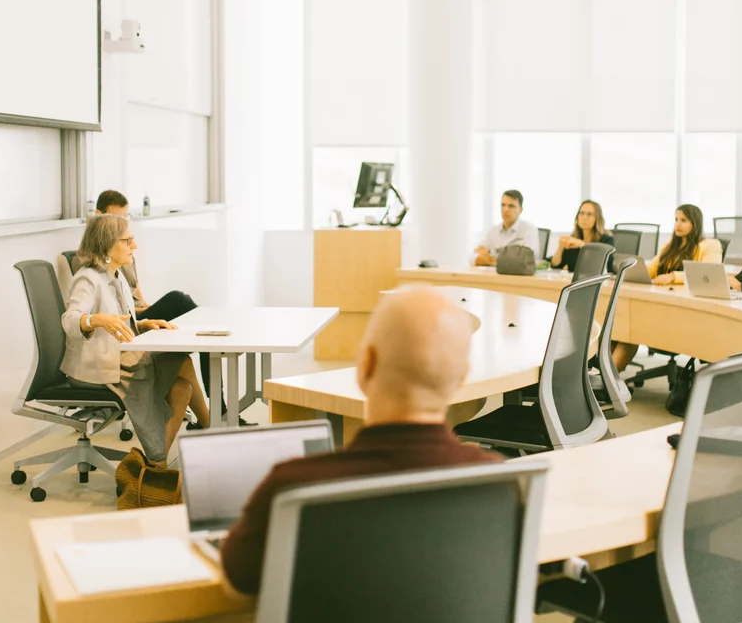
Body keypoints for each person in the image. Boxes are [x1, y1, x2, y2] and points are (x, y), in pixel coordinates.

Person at [221, 287, 497, 595]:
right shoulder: (499, 486)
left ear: (366, 365)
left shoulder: (294, 490)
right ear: (461, 378)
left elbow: (238, 579)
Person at [76, 190, 239, 425]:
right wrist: (141, 318)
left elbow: (139, 299)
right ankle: (210, 350)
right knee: (179, 300)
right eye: (115, 219)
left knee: (180, 303)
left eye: (125, 218)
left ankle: (207, 343)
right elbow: (102, 311)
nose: (121, 225)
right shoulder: (91, 265)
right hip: (123, 325)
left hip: (138, 316)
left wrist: (153, 316)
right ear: (99, 217)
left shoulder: (125, 256)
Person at [61, 215, 210, 465]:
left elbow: (118, 320)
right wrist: (96, 319)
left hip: (117, 359)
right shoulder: (88, 278)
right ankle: (204, 433)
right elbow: (70, 320)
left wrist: (142, 324)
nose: (135, 246)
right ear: (108, 245)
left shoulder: (116, 276)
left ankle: (157, 463)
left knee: (182, 383)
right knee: (181, 366)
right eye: (128, 241)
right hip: (96, 367)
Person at [611, 204, 722, 372]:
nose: (678, 224)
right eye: (676, 220)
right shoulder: (670, 246)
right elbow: (652, 269)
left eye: (683, 220)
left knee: (631, 329)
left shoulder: (709, 245)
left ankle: (606, 382)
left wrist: (673, 276)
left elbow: (708, 275)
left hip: (686, 312)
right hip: (660, 305)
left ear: (695, 223)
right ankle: (603, 377)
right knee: (620, 328)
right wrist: (630, 270)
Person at [473, 190, 540, 265]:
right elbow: (473, 257)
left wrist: (492, 260)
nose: (506, 209)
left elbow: (528, 260)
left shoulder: (528, 230)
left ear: (520, 210)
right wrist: (483, 258)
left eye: (511, 206)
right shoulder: (492, 231)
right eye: (503, 205)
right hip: (494, 275)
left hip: (518, 275)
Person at [550, 200, 614, 272]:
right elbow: (555, 265)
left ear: (597, 218)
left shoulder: (606, 240)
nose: (584, 217)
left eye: (589, 214)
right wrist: (560, 247)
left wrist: (582, 245)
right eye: (581, 213)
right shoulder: (573, 239)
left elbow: (605, 267)